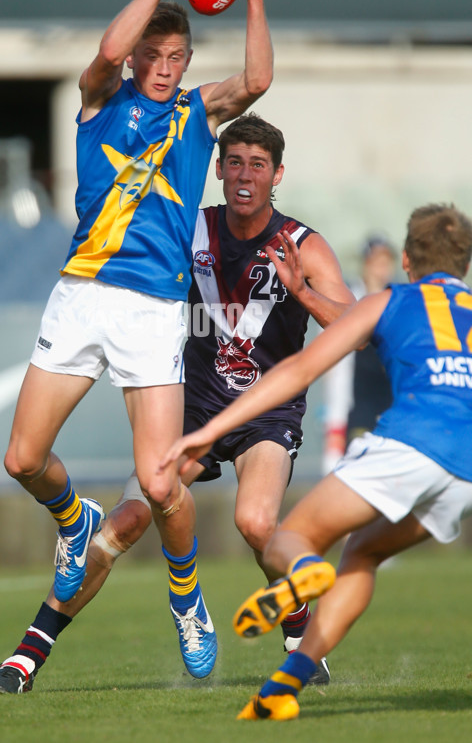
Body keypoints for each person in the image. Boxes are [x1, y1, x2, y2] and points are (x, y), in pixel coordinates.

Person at [0, 0, 273, 692]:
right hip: (80, 293)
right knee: (21, 459)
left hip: (150, 310)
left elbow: (257, 81)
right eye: (157, 56)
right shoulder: (100, 98)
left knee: (158, 481)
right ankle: (73, 519)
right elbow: (108, 53)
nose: (165, 68)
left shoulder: (194, 114)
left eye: (177, 58)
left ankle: (186, 596)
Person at [0, 113, 355, 694]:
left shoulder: (302, 245)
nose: (244, 175)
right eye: (233, 162)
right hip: (192, 414)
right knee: (123, 523)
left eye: (258, 165)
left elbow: (353, 326)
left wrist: (301, 290)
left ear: (277, 174)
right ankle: (27, 656)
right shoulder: (189, 231)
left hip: (265, 415)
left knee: (256, 523)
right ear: (217, 168)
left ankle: (299, 626)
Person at [162, 203, 472, 722]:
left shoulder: (388, 302)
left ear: (405, 261)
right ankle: (286, 683)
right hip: (465, 470)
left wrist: (212, 429)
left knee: (287, 538)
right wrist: (303, 293)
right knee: (366, 553)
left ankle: (304, 572)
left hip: (413, 445)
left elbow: (301, 367)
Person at [322, 235, 397, 474]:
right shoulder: (349, 300)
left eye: (386, 262)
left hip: (388, 400)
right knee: (347, 469)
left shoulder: (398, 300)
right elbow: (333, 364)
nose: (382, 269)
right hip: (356, 402)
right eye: (376, 262)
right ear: (366, 264)